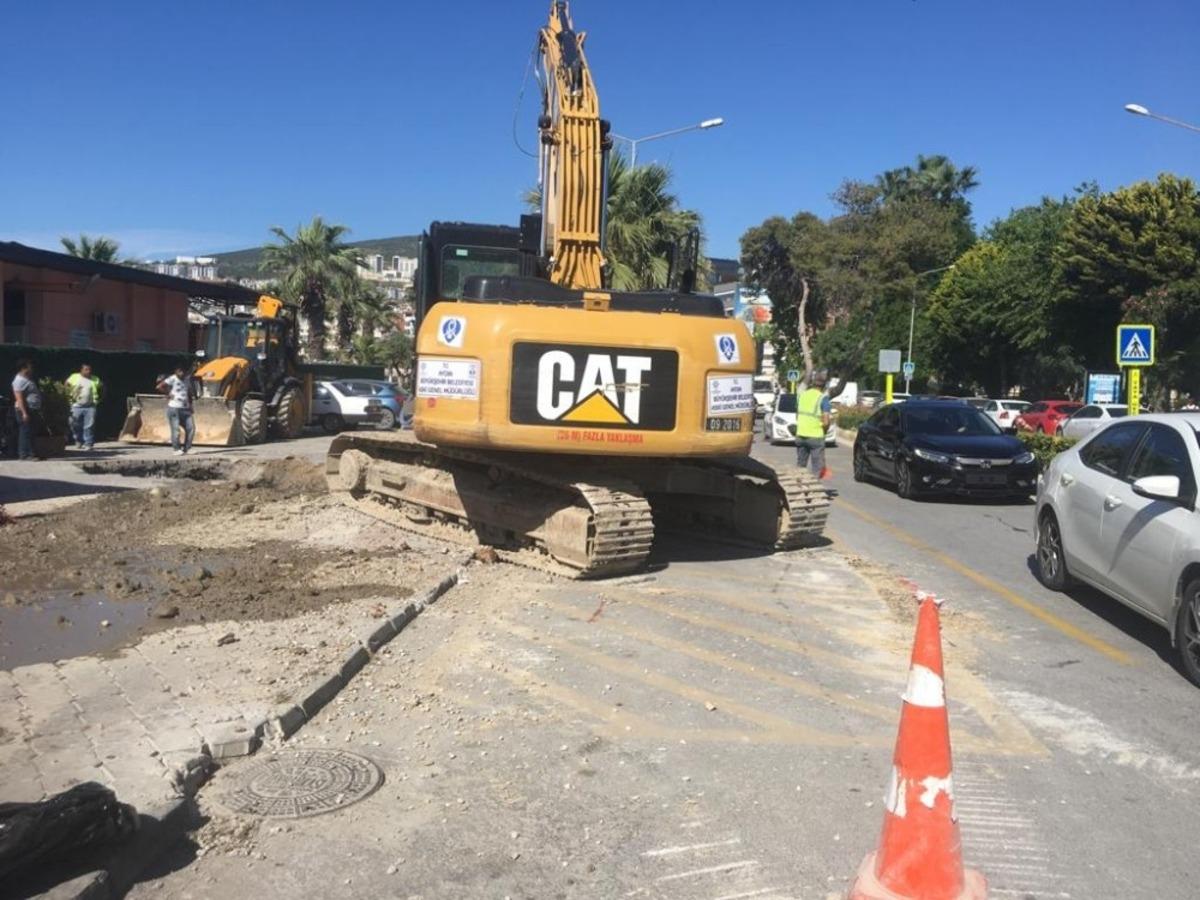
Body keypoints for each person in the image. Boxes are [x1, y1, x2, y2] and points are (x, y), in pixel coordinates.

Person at [795, 371, 832, 480]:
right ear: (824, 386)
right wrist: (825, 430)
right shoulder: (823, 398)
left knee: (800, 465)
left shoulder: (802, 395)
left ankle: (799, 487)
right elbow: (826, 421)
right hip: (816, 437)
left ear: (812, 383)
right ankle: (813, 490)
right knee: (817, 468)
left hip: (800, 434)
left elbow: (797, 415)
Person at [156, 363, 199, 455]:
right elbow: (159, 386)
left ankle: (187, 448)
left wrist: (191, 406)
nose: (182, 373)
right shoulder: (172, 379)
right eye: (180, 371)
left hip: (186, 408)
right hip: (174, 408)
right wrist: (168, 393)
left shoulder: (187, 380)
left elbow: (188, 394)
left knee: (191, 428)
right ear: (176, 371)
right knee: (176, 430)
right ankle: (176, 449)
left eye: (183, 371)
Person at [11, 359, 43, 461]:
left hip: (32, 408)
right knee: (25, 432)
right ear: (24, 368)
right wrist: (24, 413)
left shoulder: (27, 378)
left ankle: (31, 453)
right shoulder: (19, 381)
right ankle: (25, 454)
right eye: (29, 366)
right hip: (25, 410)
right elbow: (19, 398)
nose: (31, 368)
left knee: (30, 432)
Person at [65, 363, 102, 451]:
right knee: (73, 424)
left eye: (89, 369)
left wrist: (99, 399)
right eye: (86, 369)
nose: (88, 371)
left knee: (89, 425)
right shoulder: (74, 377)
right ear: (81, 370)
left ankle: (88, 443)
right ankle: (78, 440)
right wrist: (68, 395)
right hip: (76, 406)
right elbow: (66, 384)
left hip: (90, 406)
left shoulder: (95, 379)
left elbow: (102, 387)